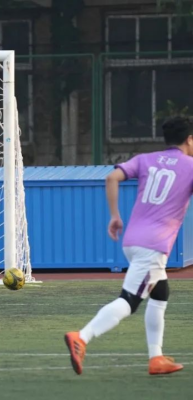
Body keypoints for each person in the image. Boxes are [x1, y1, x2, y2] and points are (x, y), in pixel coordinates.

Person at [65, 116, 193, 376]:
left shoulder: (145, 159)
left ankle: (156, 358)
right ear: (190, 140)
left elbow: (111, 178)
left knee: (160, 292)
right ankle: (82, 337)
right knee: (129, 301)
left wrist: (115, 216)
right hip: (154, 246)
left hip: (132, 239)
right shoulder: (190, 166)